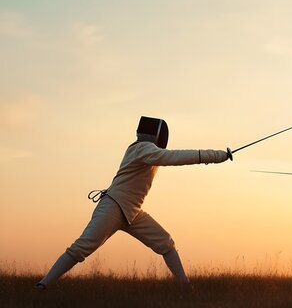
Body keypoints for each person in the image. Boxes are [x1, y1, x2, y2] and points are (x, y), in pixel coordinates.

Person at [36, 116, 232, 290]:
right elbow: (174, 157)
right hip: (113, 207)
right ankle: (43, 285)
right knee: (81, 248)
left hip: (133, 212)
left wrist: (218, 157)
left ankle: (185, 286)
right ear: (156, 135)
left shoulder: (143, 150)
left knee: (165, 242)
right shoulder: (142, 149)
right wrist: (216, 156)